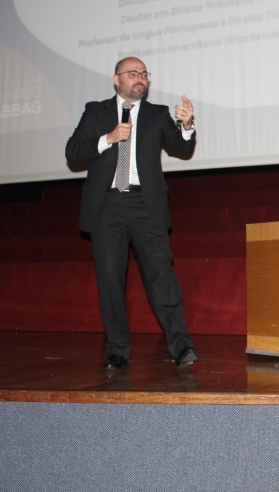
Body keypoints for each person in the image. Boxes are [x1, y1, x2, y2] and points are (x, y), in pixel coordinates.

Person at [65, 57, 198, 370]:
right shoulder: (95, 111)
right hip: (107, 205)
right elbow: (73, 151)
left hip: (145, 204)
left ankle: (181, 346)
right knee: (110, 280)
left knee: (161, 277)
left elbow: (180, 145)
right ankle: (117, 349)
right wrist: (108, 138)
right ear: (116, 79)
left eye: (144, 74)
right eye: (133, 73)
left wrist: (187, 125)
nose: (140, 78)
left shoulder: (156, 113)